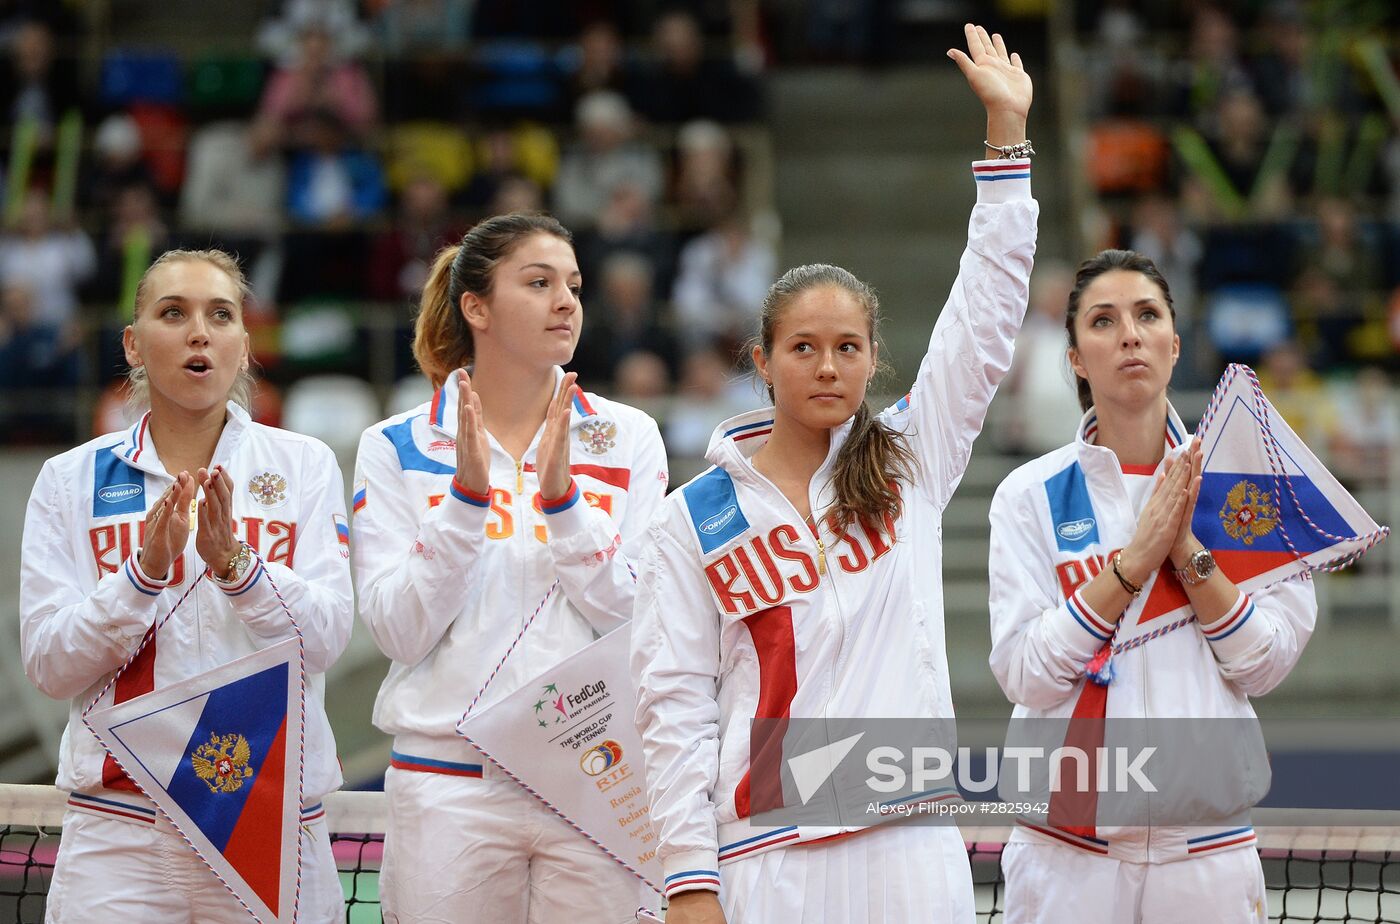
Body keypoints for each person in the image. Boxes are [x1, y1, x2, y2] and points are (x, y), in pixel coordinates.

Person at [630, 24, 1036, 924]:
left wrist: (1007, 144)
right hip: (767, 855)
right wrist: (689, 881)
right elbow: (672, 715)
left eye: (847, 347)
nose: (826, 366)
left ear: (872, 360)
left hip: (911, 843)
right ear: (762, 362)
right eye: (803, 347)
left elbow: (984, 317)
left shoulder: (909, 459)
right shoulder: (690, 520)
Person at [352, 212, 669, 923]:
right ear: (477, 307)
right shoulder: (394, 444)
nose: (566, 301)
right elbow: (398, 633)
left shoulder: (630, 437)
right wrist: (464, 502)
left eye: (574, 285)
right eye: (538, 282)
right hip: (447, 784)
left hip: (594, 774)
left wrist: (563, 506)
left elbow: (640, 616)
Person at [19, 249, 353, 922]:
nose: (199, 331)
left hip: (275, 819)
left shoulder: (305, 465)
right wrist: (141, 577)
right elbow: (50, 668)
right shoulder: (68, 479)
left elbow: (326, 640)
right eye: (174, 313)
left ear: (243, 346)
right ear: (134, 345)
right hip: (120, 833)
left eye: (220, 314)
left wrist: (238, 566)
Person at [987, 249, 1318, 924]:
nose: (1129, 334)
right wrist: (1132, 565)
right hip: (1064, 855)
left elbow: (1267, 663)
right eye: (1103, 322)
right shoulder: (1028, 495)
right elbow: (1026, 674)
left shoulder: (1246, 487)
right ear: (1076, 357)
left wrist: (1188, 554)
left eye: (1147, 315)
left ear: (1174, 341)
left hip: (1208, 855)